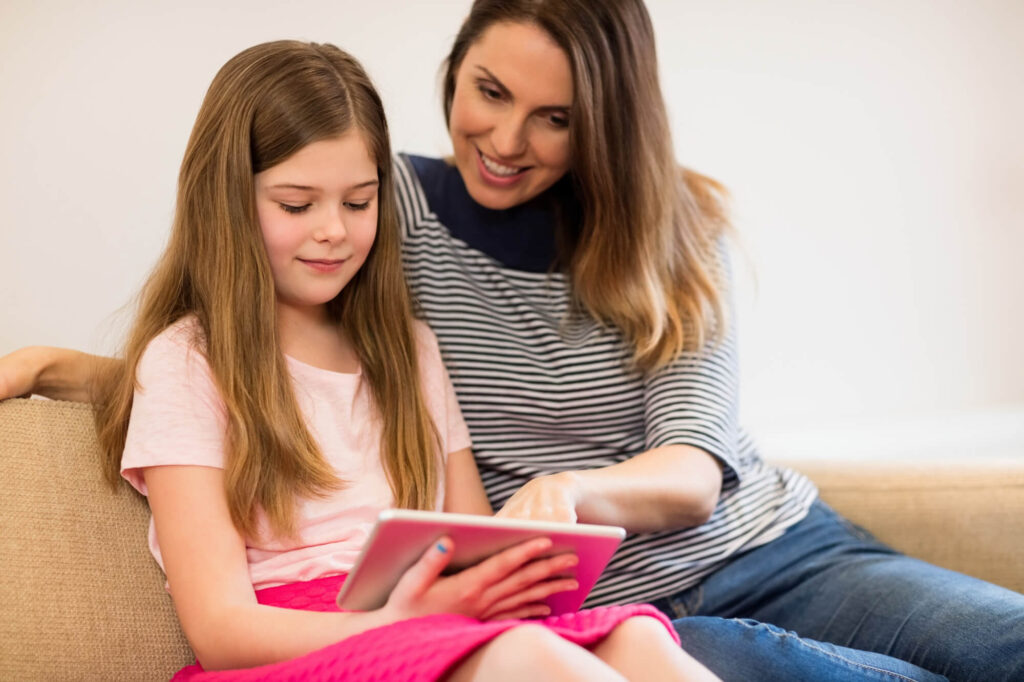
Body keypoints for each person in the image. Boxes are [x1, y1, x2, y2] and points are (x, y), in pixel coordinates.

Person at [2, 2, 1022, 681]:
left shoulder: (657, 236)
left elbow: (679, 476)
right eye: (488, 92)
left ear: (603, 125)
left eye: (553, 117)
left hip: (762, 547)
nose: (503, 140)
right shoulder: (387, 216)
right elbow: (241, 366)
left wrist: (553, 505)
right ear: (454, 72)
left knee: (994, 642)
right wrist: (63, 368)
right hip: (477, 612)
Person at [47, 39, 717, 682]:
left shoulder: (411, 351)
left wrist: (502, 579)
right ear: (226, 202)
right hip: (301, 649)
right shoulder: (185, 364)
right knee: (526, 657)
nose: (334, 230)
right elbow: (221, 632)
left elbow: (474, 539)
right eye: (297, 204)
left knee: (635, 637)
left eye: (358, 202)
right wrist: (399, 622)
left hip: (434, 627)